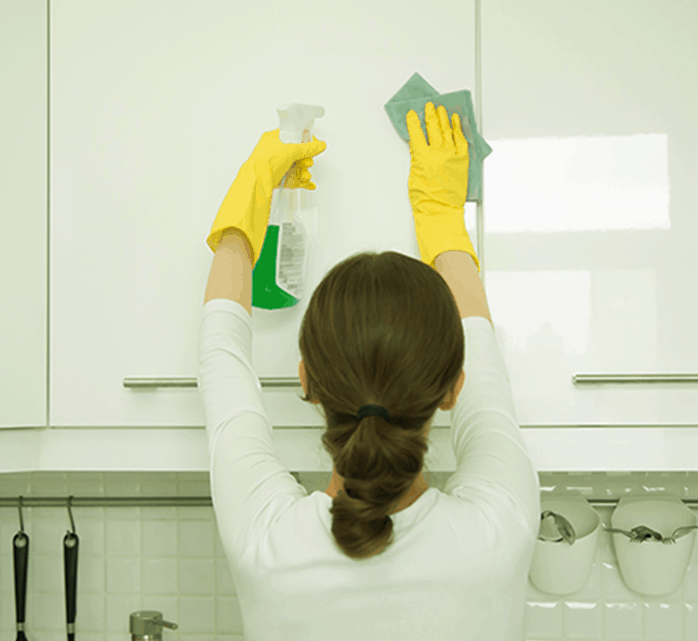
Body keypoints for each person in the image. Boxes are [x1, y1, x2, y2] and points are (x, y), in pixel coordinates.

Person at [199, 102, 540, 641]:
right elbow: (485, 364)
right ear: (454, 388)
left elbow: (221, 351)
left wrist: (255, 190)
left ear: (305, 380)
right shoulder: (501, 531)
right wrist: (441, 215)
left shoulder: (266, 541)